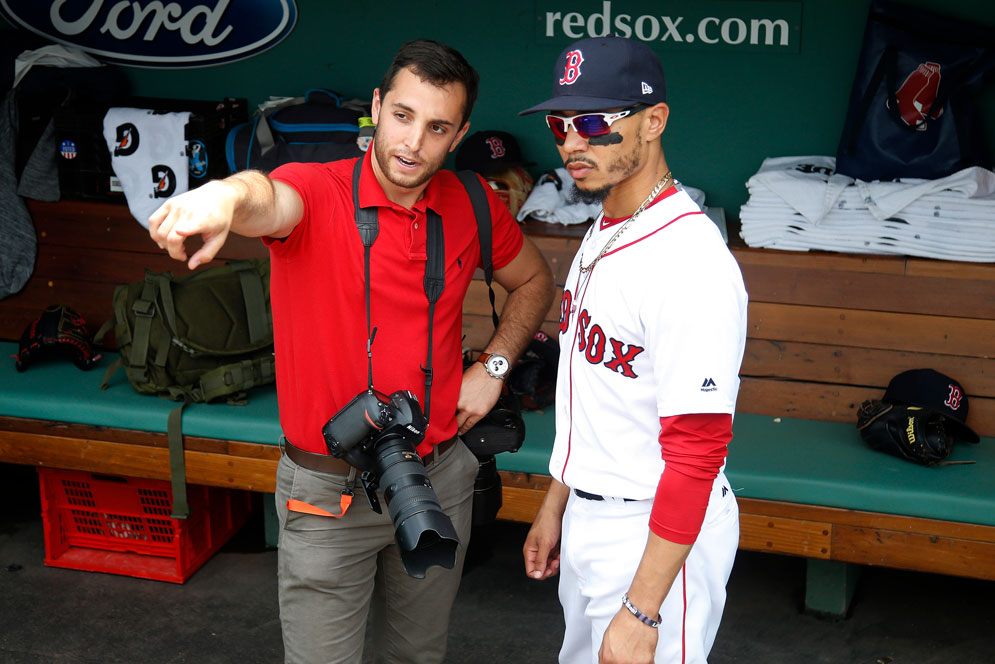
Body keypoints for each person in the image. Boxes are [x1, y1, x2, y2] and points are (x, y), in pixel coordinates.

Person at [149, 39, 554, 664]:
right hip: (327, 490)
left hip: (437, 477)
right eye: (402, 115)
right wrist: (224, 197)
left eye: (437, 127)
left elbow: (534, 281)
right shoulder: (317, 191)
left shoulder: (474, 202)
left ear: (458, 135)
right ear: (376, 108)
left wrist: (494, 367)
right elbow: (265, 198)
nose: (413, 142)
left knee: (419, 656)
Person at [519, 37, 748, 664]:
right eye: (560, 123)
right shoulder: (606, 224)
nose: (572, 141)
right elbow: (596, 397)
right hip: (594, 514)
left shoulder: (689, 261)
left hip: (655, 533)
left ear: (655, 120)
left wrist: (645, 607)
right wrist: (558, 502)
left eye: (594, 121)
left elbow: (698, 449)